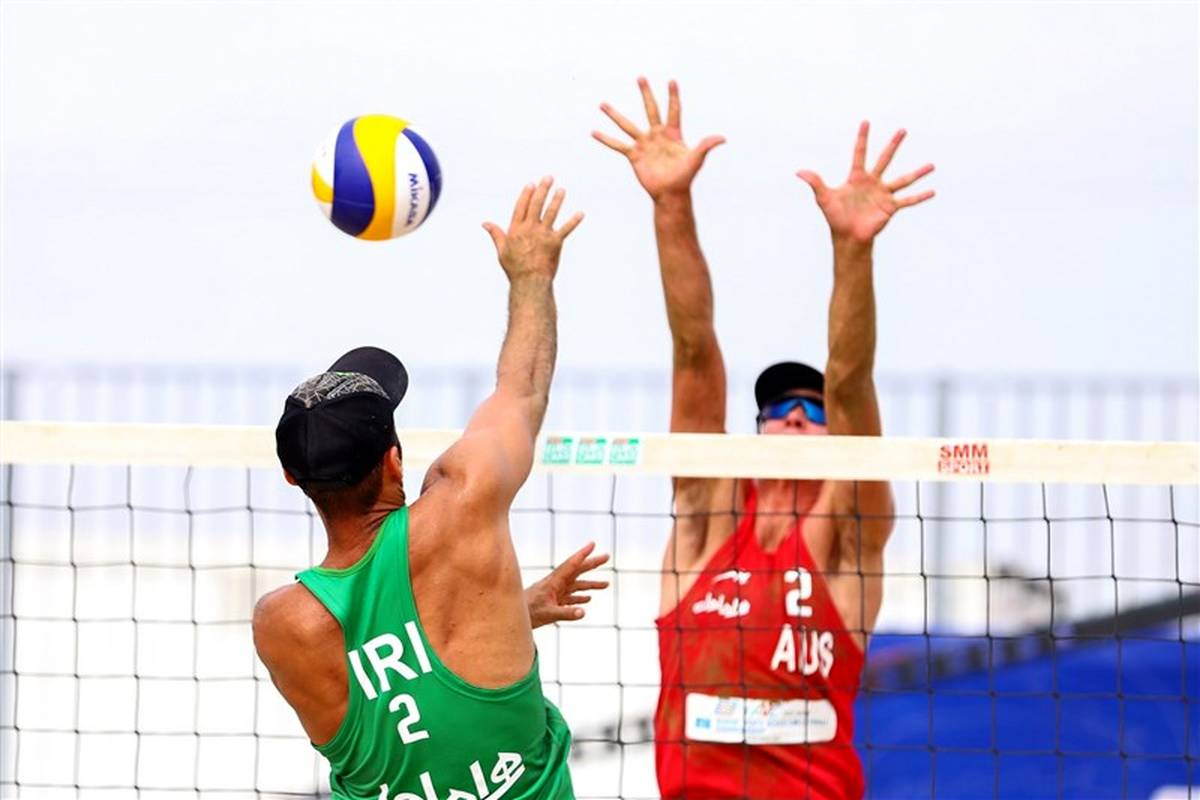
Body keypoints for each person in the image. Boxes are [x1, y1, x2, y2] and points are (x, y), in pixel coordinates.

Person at [594, 78, 935, 799]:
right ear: (754, 432)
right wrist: (671, 205)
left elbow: (851, 382)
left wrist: (852, 250)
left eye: (812, 409)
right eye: (778, 406)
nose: (795, 416)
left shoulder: (848, 536)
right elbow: (694, 353)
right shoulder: (708, 519)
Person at [252, 179, 602, 800]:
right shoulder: (463, 504)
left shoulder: (283, 626)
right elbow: (522, 390)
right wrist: (531, 276)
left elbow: (401, 682)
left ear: (292, 477)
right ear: (395, 461)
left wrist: (508, 613)